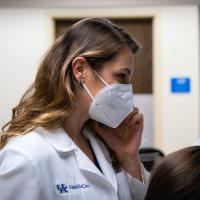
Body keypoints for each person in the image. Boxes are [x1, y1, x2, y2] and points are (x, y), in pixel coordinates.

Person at [0, 17, 149, 200]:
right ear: (80, 69)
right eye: (121, 76)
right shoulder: (26, 155)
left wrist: (129, 156)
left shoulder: (102, 142)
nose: (127, 89)